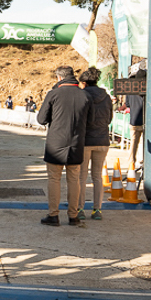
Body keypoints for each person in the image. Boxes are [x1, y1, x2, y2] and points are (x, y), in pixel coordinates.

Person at [38, 66, 92, 226]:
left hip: (55, 144)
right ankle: (73, 216)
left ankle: (53, 215)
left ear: (59, 78)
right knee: (74, 179)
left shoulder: (53, 94)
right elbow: (90, 121)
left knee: (54, 178)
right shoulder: (85, 95)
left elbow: (41, 119)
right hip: (76, 143)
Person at [77, 67, 113, 220]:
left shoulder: (82, 95)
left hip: (85, 141)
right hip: (102, 140)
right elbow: (109, 118)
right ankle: (97, 209)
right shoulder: (106, 97)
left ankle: (80, 209)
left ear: (84, 83)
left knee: (81, 176)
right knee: (97, 177)